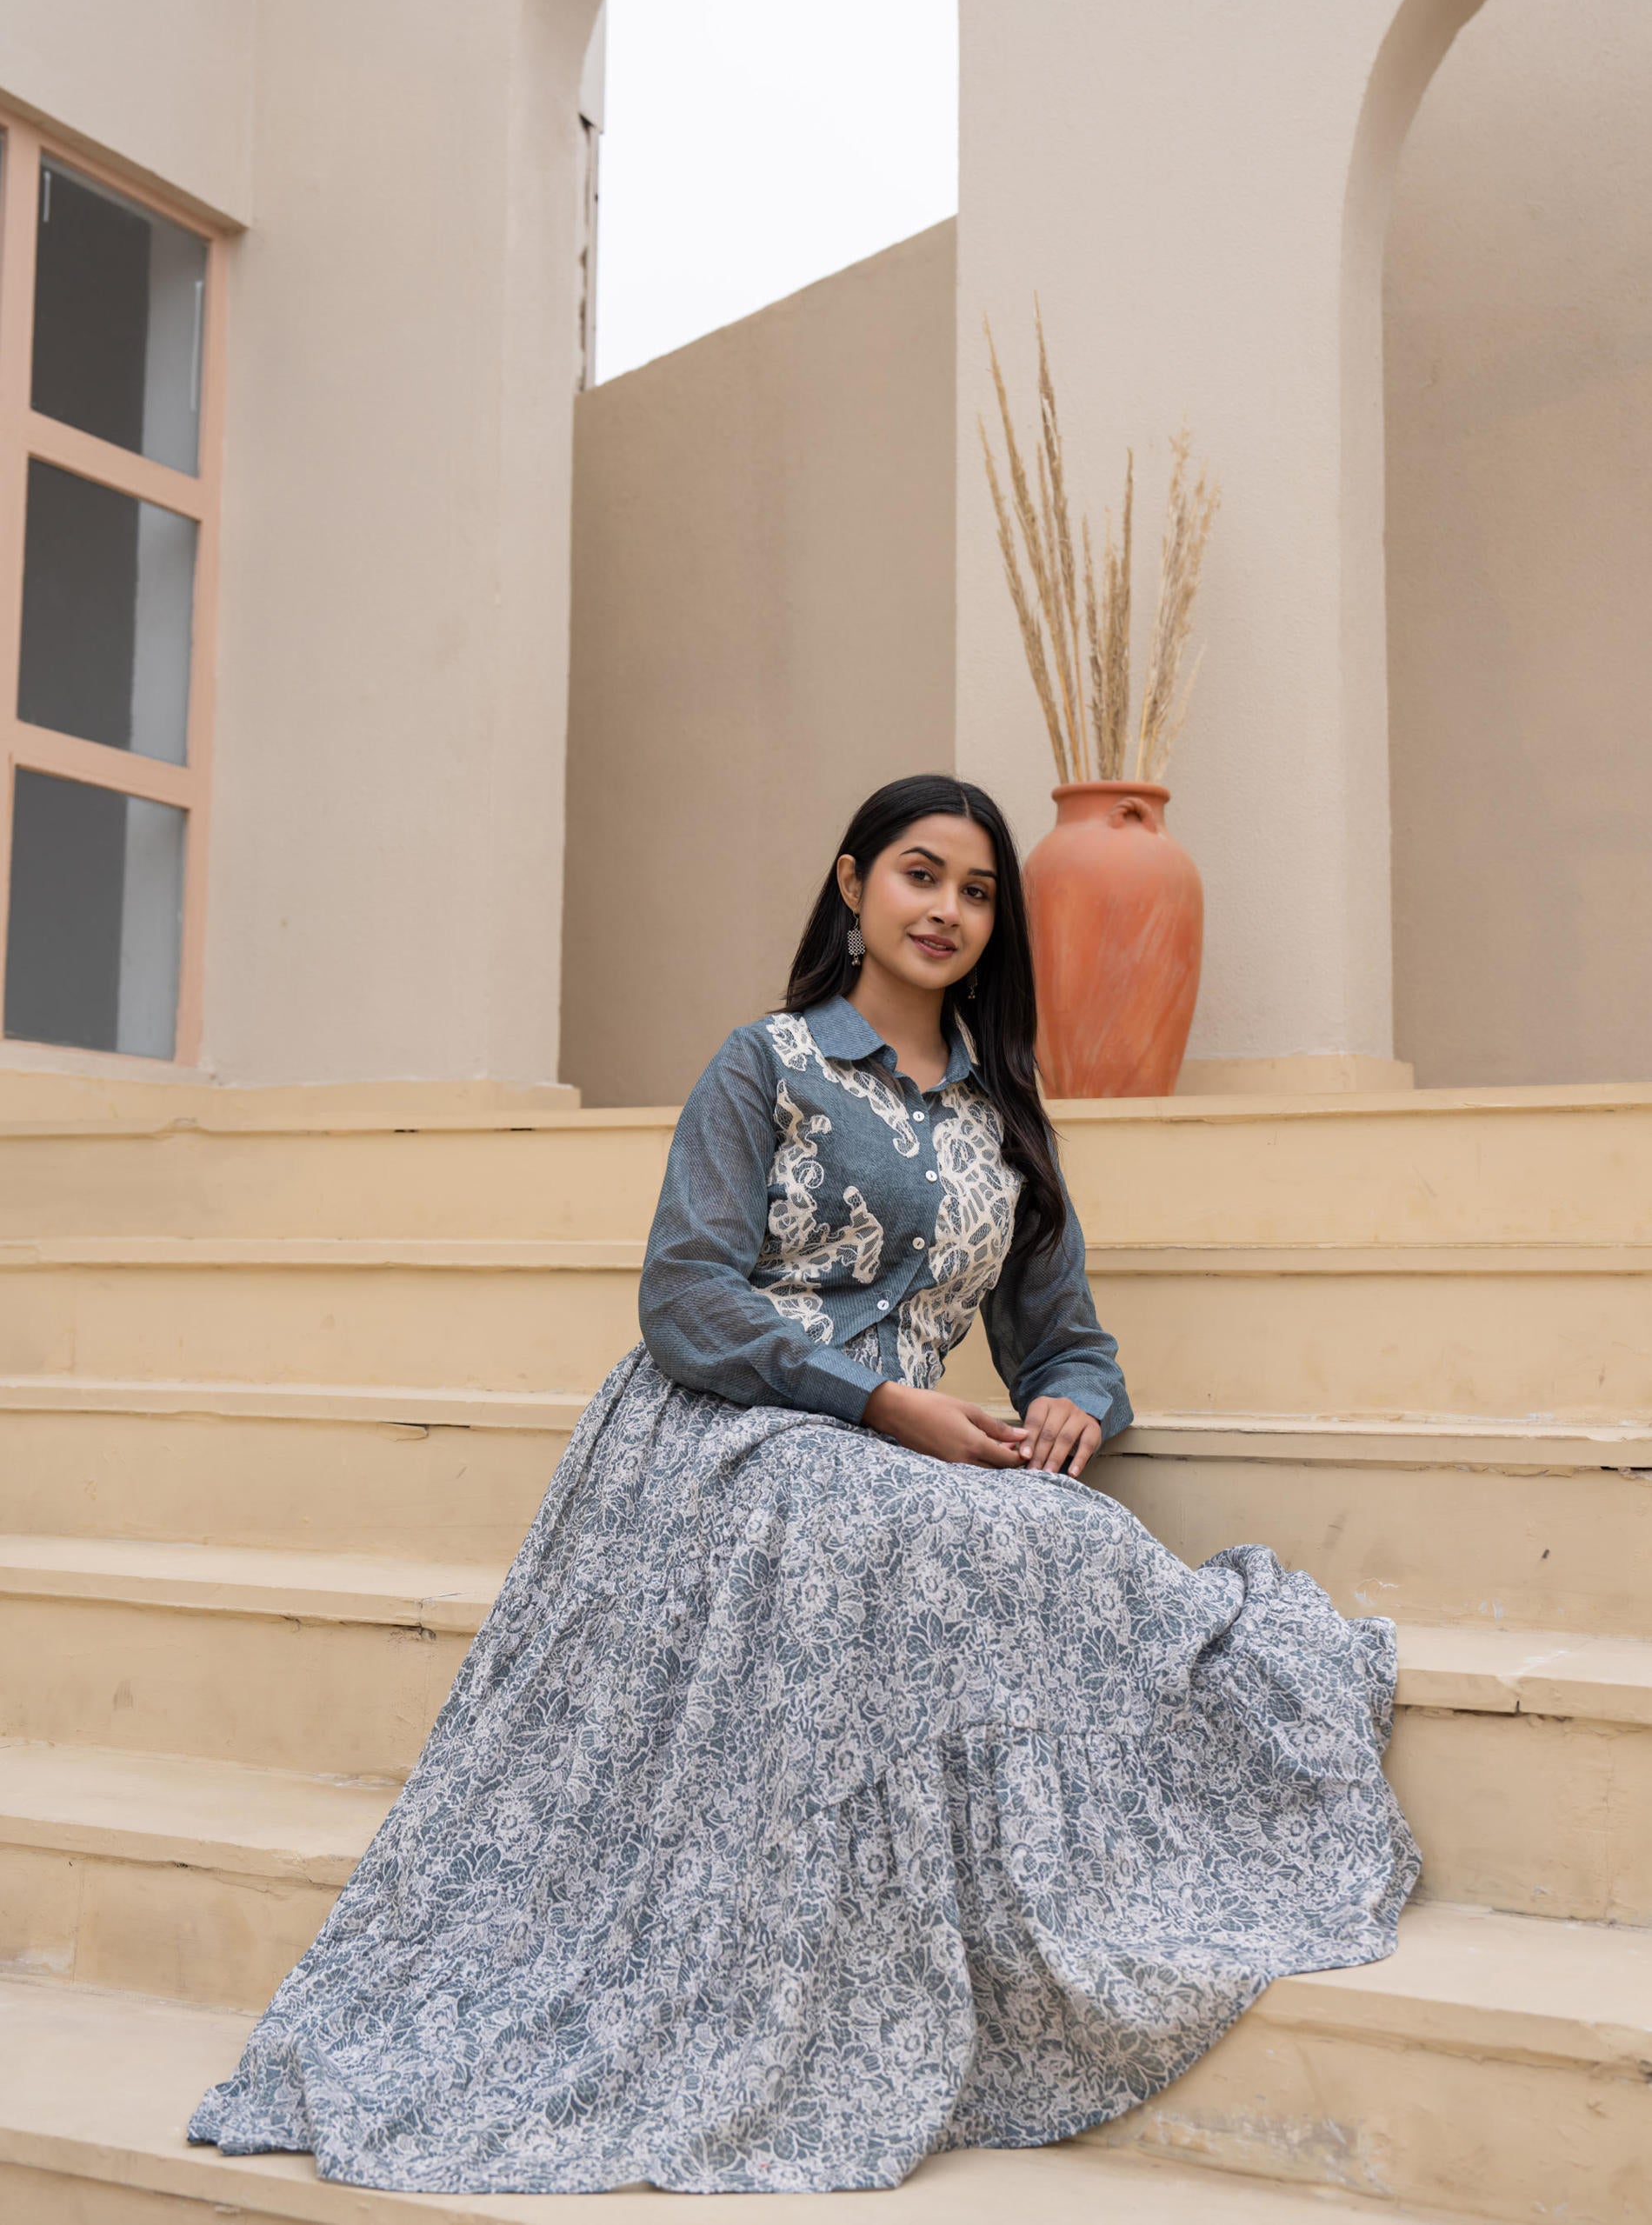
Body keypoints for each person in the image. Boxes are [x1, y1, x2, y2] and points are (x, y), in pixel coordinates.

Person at [187, 771, 1418, 2195]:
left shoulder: (1004, 1115)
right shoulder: (765, 1064)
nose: (947, 909)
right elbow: (684, 1294)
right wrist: (880, 1400)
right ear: (852, 885)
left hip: (907, 1444)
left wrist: (1074, 1404)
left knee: (1069, 1539)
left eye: (976, 891)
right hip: (734, 1424)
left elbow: (1066, 1338)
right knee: (897, 1523)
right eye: (919, 874)